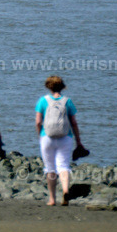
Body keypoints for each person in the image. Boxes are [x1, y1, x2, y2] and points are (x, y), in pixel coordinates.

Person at [35, 75, 83, 206]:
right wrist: (78, 141)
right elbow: (74, 123)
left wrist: (40, 136)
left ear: (48, 87)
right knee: (63, 166)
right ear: (62, 87)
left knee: (50, 168)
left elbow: (38, 122)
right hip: (65, 137)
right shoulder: (68, 101)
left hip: (47, 137)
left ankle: (52, 199)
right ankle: (65, 190)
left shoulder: (42, 101)